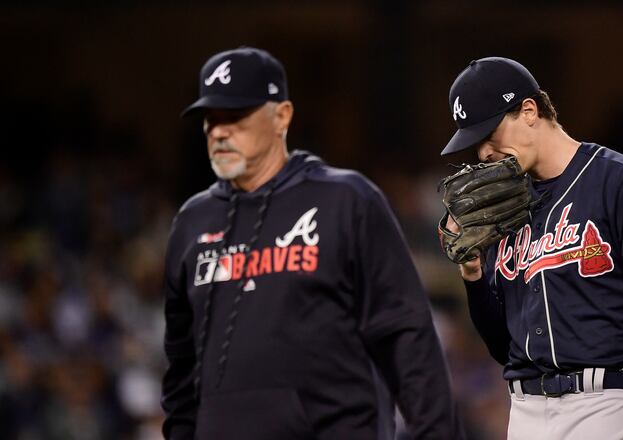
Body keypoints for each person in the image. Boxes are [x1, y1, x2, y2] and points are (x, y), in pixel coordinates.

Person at [161, 46, 464, 440]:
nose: (219, 130)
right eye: (211, 118)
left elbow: (406, 335)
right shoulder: (192, 222)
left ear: (281, 116)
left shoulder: (345, 200)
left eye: (235, 116)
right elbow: (181, 373)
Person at [438, 57, 623, 440]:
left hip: (604, 404)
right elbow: (504, 348)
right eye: (476, 142)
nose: (483, 153)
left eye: (490, 132)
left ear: (529, 111)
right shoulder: (503, 208)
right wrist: (473, 276)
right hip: (524, 411)